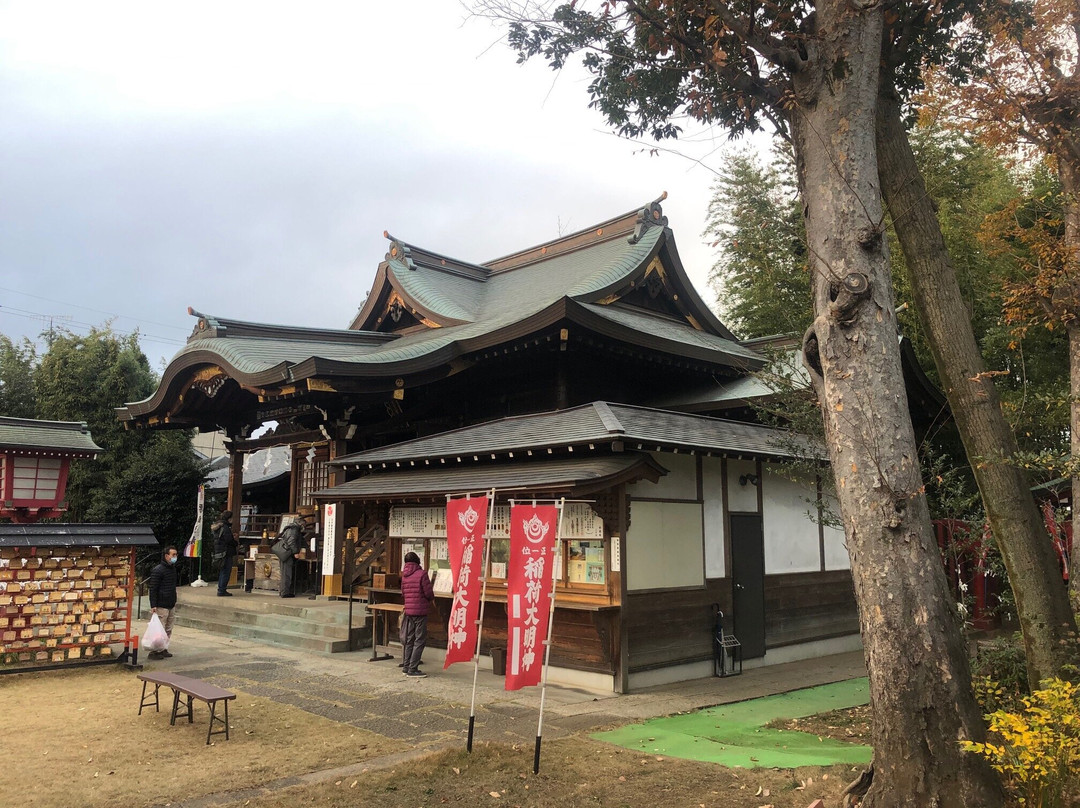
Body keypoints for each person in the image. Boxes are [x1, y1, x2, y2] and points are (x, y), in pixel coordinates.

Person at [400, 551, 434, 678]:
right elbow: (428, 593)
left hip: (409, 611)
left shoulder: (405, 575)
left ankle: (406, 666)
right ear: (417, 560)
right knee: (419, 640)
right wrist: (430, 600)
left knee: (409, 640)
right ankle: (413, 668)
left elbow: (403, 592)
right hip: (420, 611)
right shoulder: (422, 574)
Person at [147, 545, 180, 660]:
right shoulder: (158, 570)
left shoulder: (172, 569)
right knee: (159, 629)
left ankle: (163, 648)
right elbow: (153, 588)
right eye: (173, 555)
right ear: (166, 556)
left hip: (171, 603)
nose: (175, 557)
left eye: (176, 554)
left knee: (168, 628)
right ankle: (155, 651)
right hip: (161, 604)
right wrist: (153, 605)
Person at [276, 517, 305, 598]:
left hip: (285, 552)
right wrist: (295, 552)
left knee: (285, 573)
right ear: (300, 523)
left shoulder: (291, 528)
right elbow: (291, 542)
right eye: (303, 524)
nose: (304, 527)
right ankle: (285, 593)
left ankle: (284, 591)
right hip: (287, 553)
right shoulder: (294, 530)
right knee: (286, 573)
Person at [211, 509, 237, 597]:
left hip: (219, 551)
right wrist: (235, 542)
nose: (233, 520)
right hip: (226, 552)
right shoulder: (225, 528)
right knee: (226, 571)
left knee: (223, 571)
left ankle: (221, 589)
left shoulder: (217, 527)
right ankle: (222, 590)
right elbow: (229, 540)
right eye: (232, 518)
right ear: (229, 518)